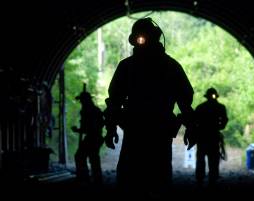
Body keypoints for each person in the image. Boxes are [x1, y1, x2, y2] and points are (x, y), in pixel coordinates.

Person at [104, 18, 194, 195]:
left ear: (155, 38)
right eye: (139, 38)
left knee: (155, 178)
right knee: (132, 178)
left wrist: (191, 128)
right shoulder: (129, 66)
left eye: (145, 37)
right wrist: (110, 128)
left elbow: (185, 102)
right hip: (138, 131)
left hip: (155, 133)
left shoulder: (168, 66)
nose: (142, 41)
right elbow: (114, 101)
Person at [193, 87, 228, 185]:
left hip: (203, 137)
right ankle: (212, 178)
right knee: (213, 159)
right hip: (213, 137)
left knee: (201, 158)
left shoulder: (200, 107)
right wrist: (219, 127)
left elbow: (194, 122)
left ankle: (200, 178)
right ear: (216, 96)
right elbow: (224, 120)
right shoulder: (220, 107)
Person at [71, 84, 105, 184]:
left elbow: (90, 128)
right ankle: (94, 179)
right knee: (92, 158)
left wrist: (78, 130)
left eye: (81, 100)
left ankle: (84, 178)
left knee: (81, 156)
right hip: (96, 138)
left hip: (93, 138)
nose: (80, 102)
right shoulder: (94, 110)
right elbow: (99, 124)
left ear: (86, 100)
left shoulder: (88, 111)